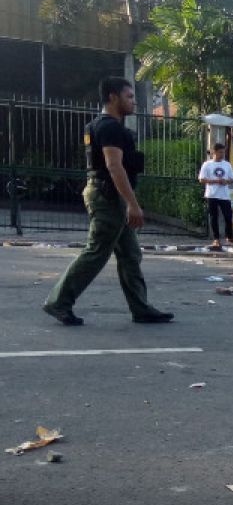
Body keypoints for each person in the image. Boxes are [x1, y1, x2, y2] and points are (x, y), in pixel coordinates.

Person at [42, 76, 172, 326]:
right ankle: (59, 301)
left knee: (130, 254)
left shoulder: (96, 125)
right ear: (113, 97)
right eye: (129, 97)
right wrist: (133, 204)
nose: (134, 102)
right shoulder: (111, 128)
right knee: (96, 252)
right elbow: (114, 167)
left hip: (105, 193)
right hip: (109, 196)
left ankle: (141, 308)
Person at [199, 142, 233, 250]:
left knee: (228, 216)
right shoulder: (207, 164)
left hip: (225, 195)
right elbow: (201, 179)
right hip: (212, 194)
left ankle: (229, 236)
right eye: (220, 152)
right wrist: (215, 181)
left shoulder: (227, 164)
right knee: (213, 217)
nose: (222, 154)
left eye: (223, 152)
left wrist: (226, 181)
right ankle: (216, 239)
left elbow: (232, 179)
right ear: (214, 152)